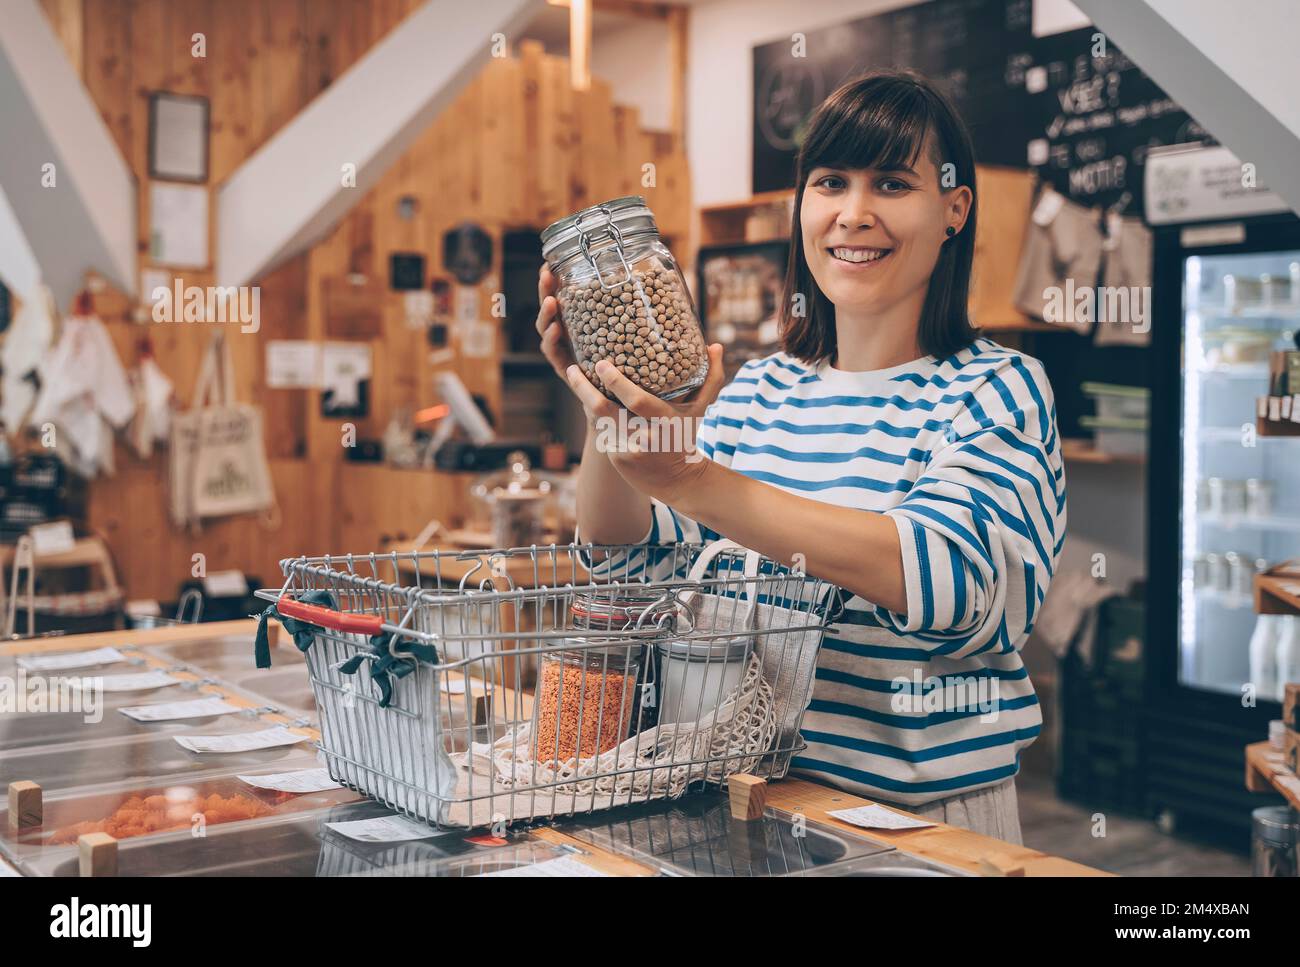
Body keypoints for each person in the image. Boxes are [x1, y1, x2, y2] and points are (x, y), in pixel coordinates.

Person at [534, 70, 1065, 843]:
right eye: (830, 182)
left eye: (891, 182)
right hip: (739, 805)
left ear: (954, 209)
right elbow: (635, 568)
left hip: (914, 832)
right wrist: (604, 404)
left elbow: (958, 585)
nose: (854, 213)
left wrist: (695, 480)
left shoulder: (998, 390)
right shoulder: (760, 391)